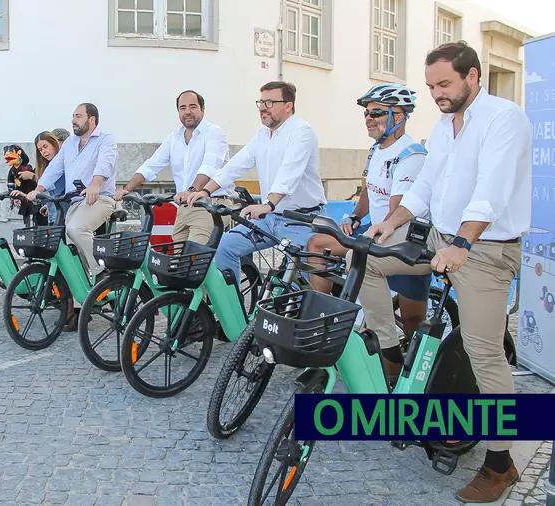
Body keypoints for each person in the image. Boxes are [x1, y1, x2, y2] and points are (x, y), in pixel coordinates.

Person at [358, 41, 530, 503]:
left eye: (445, 84)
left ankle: (500, 464)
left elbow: (492, 190)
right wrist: (390, 223)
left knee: (485, 354)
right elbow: (428, 183)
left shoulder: (503, 117)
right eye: (431, 85)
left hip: (485, 250)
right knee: (367, 265)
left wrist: (462, 243)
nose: (437, 93)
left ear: (473, 76)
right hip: (440, 239)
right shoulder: (443, 124)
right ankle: (393, 354)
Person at [306, 83, 430, 339]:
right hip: (374, 229)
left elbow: (396, 212)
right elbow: (369, 191)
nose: (369, 119)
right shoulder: (377, 150)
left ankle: (402, 360)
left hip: (403, 237)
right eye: (367, 113)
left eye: (376, 113)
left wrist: (368, 233)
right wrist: (354, 216)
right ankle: (323, 321)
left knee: (412, 321)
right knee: (317, 243)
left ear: (398, 116)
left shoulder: (411, 155)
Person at [187, 81, 327, 284]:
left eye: (269, 102)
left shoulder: (301, 132)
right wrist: (206, 191)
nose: (262, 107)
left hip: (302, 221)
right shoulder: (262, 135)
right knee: (225, 247)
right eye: (260, 102)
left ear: (288, 105)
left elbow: (289, 173)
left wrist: (267, 204)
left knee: (301, 284)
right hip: (269, 219)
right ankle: (233, 311)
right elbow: (235, 165)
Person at [14, 103, 118, 330]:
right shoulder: (70, 143)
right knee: (70, 250)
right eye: (73, 116)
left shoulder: (105, 140)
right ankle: (83, 304)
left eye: (78, 116)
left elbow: (105, 163)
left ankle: (102, 273)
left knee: (75, 230)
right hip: (75, 202)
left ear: (92, 120)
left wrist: (95, 183)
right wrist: (37, 189)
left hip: (99, 199)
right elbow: (54, 169)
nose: (74, 120)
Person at [117, 90, 232, 244]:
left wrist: (191, 191)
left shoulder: (214, 133)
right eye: (182, 108)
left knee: (193, 258)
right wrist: (127, 189)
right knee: (174, 260)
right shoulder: (174, 137)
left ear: (202, 109)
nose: (188, 112)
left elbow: (209, 167)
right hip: (184, 207)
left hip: (211, 205)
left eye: (193, 107)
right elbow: (152, 164)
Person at [5, 144, 47, 227]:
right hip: (22, 198)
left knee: (36, 220)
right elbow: (11, 185)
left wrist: (31, 176)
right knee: (27, 222)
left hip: (33, 198)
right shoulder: (12, 171)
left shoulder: (27, 168)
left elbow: (36, 184)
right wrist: (15, 198)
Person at [34, 131, 65, 224]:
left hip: (66, 217)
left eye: (45, 146)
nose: (44, 152)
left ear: (54, 144)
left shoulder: (64, 163)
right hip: (54, 216)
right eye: (40, 149)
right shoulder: (46, 167)